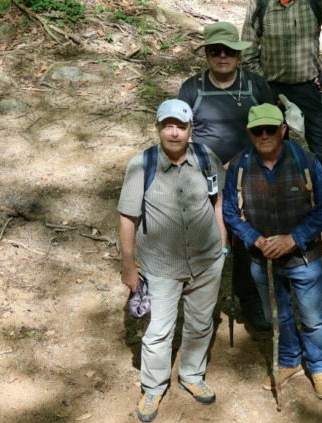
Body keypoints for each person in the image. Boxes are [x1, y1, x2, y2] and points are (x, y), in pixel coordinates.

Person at [117, 100, 226, 422]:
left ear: (191, 130)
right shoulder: (142, 165)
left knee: (200, 323)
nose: (174, 132)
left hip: (207, 261)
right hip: (161, 266)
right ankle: (153, 387)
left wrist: (222, 245)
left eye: (180, 126)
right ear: (158, 128)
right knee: (158, 332)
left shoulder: (207, 158)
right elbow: (127, 218)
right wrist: (129, 266)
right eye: (168, 125)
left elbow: (218, 201)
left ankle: (192, 375)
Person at [222, 103, 322, 399]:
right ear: (249, 132)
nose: (264, 135)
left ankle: (318, 366)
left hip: (304, 258)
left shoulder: (305, 161)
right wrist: (256, 240)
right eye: (257, 130)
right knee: (278, 316)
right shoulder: (239, 166)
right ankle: (288, 360)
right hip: (262, 260)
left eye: (270, 129)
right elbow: (231, 213)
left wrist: (293, 239)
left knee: (312, 318)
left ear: (283, 130)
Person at [179, 21, 276, 331]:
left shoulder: (255, 85)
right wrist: (204, 164)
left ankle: (251, 299)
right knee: (201, 240)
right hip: (201, 175)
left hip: (250, 172)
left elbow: (273, 130)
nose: (223, 56)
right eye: (215, 51)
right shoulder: (192, 87)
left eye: (229, 51)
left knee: (248, 239)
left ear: (239, 54)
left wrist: (239, 161)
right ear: (206, 54)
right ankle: (202, 302)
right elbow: (180, 134)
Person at [240, 0, 322, 227]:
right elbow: (247, 50)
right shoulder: (260, 3)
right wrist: (263, 87)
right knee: (272, 153)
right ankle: (280, 209)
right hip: (271, 90)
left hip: (309, 89)